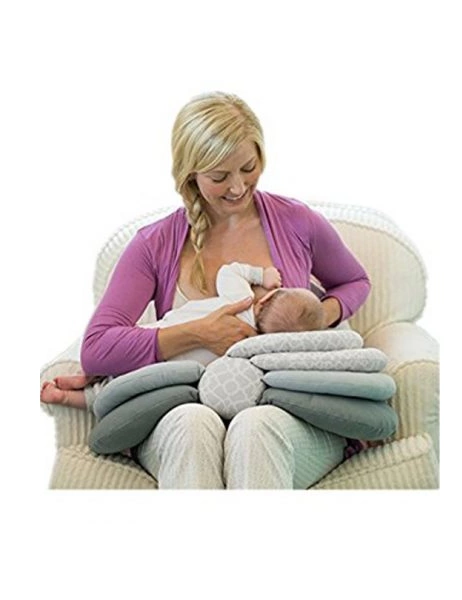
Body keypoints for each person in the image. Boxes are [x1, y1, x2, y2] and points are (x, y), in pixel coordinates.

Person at [45, 91, 371, 489]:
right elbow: (97, 347)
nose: (238, 187)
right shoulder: (154, 244)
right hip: (183, 409)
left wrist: (318, 318)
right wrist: (198, 333)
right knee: (192, 423)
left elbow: (355, 282)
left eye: (248, 168)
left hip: (282, 415)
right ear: (191, 175)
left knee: (255, 427)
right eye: (219, 177)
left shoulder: (297, 222)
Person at [40, 261, 326, 409]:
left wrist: (261, 275)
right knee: (120, 391)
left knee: (124, 350)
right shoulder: (252, 351)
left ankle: (86, 375)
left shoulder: (241, 299)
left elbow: (229, 272)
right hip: (168, 374)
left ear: (266, 299)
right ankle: (69, 397)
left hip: (157, 336)